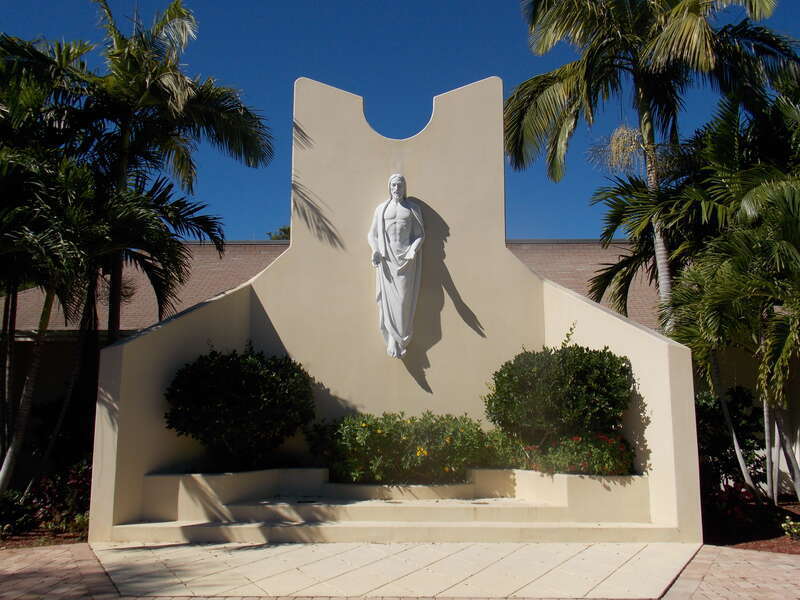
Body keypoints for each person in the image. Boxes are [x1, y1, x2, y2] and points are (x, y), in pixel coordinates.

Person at [367, 174, 425, 357]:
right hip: (387, 259)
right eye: (393, 185)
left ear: (404, 187)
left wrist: (413, 249)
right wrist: (375, 250)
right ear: (389, 187)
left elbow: (420, 235)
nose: (396, 189)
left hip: (406, 259)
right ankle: (393, 338)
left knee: (403, 300)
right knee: (387, 300)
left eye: (399, 185)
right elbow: (372, 234)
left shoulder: (412, 209)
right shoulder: (381, 209)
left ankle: (401, 338)